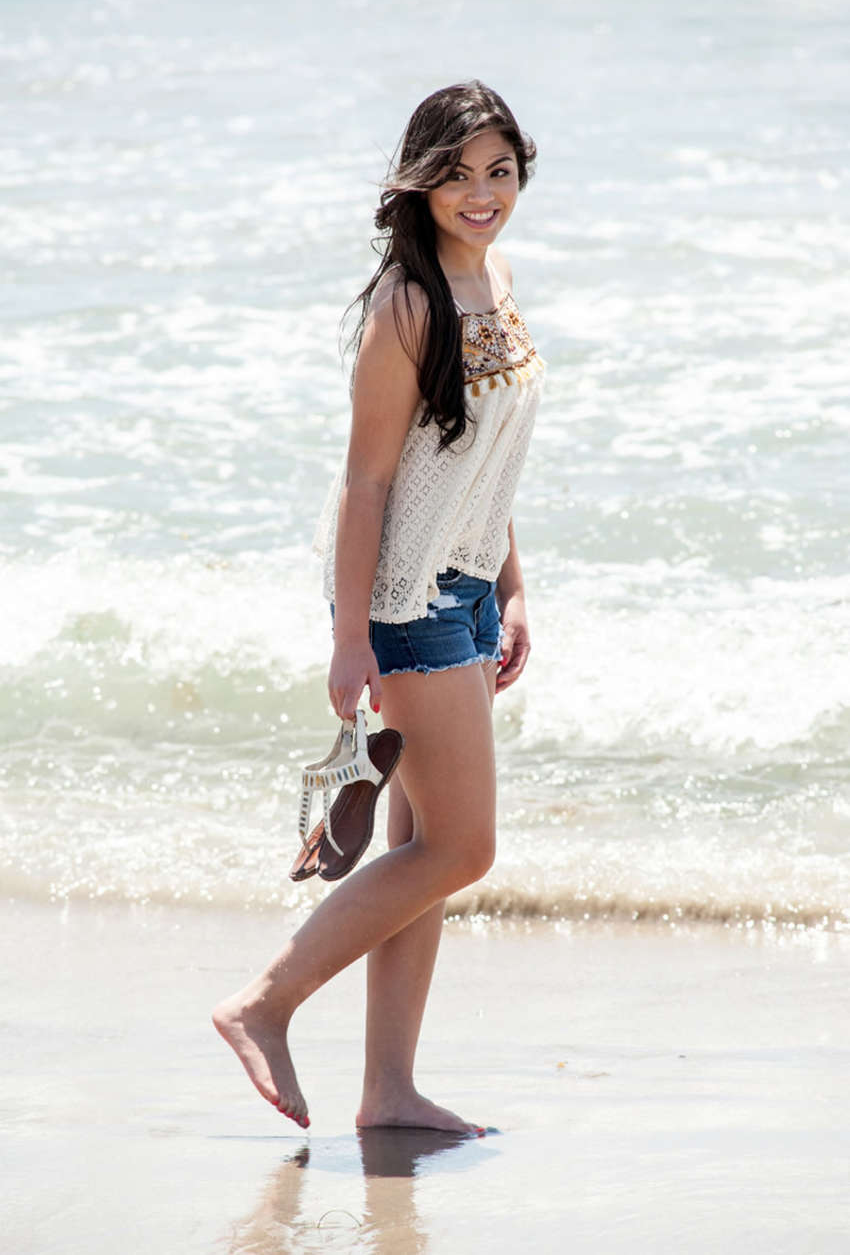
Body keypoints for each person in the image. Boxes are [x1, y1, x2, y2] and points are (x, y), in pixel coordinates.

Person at [213, 80, 544, 1135]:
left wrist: (511, 581)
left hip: (465, 584)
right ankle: (262, 1005)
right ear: (421, 179)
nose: (481, 193)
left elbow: (482, 455)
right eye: (458, 173)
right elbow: (366, 484)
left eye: (500, 170)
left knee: (421, 849)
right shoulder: (406, 305)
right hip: (404, 598)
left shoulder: (495, 272)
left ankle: (387, 1093)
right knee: (461, 847)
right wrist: (352, 633)